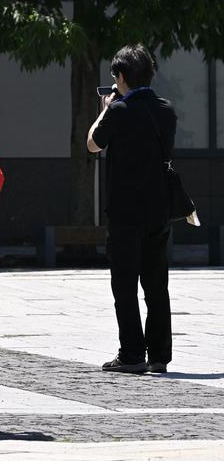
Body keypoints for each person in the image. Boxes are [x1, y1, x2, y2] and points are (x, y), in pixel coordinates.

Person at [87, 44, 177, 374]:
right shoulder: (166, 110)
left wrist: (105, 108)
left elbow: (93, 142)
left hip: (126, 211)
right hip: (159, 209)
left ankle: (131, 353)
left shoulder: (119, 110)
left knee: (124, 285)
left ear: (121, 77)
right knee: (156, 285)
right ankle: (159, 356)